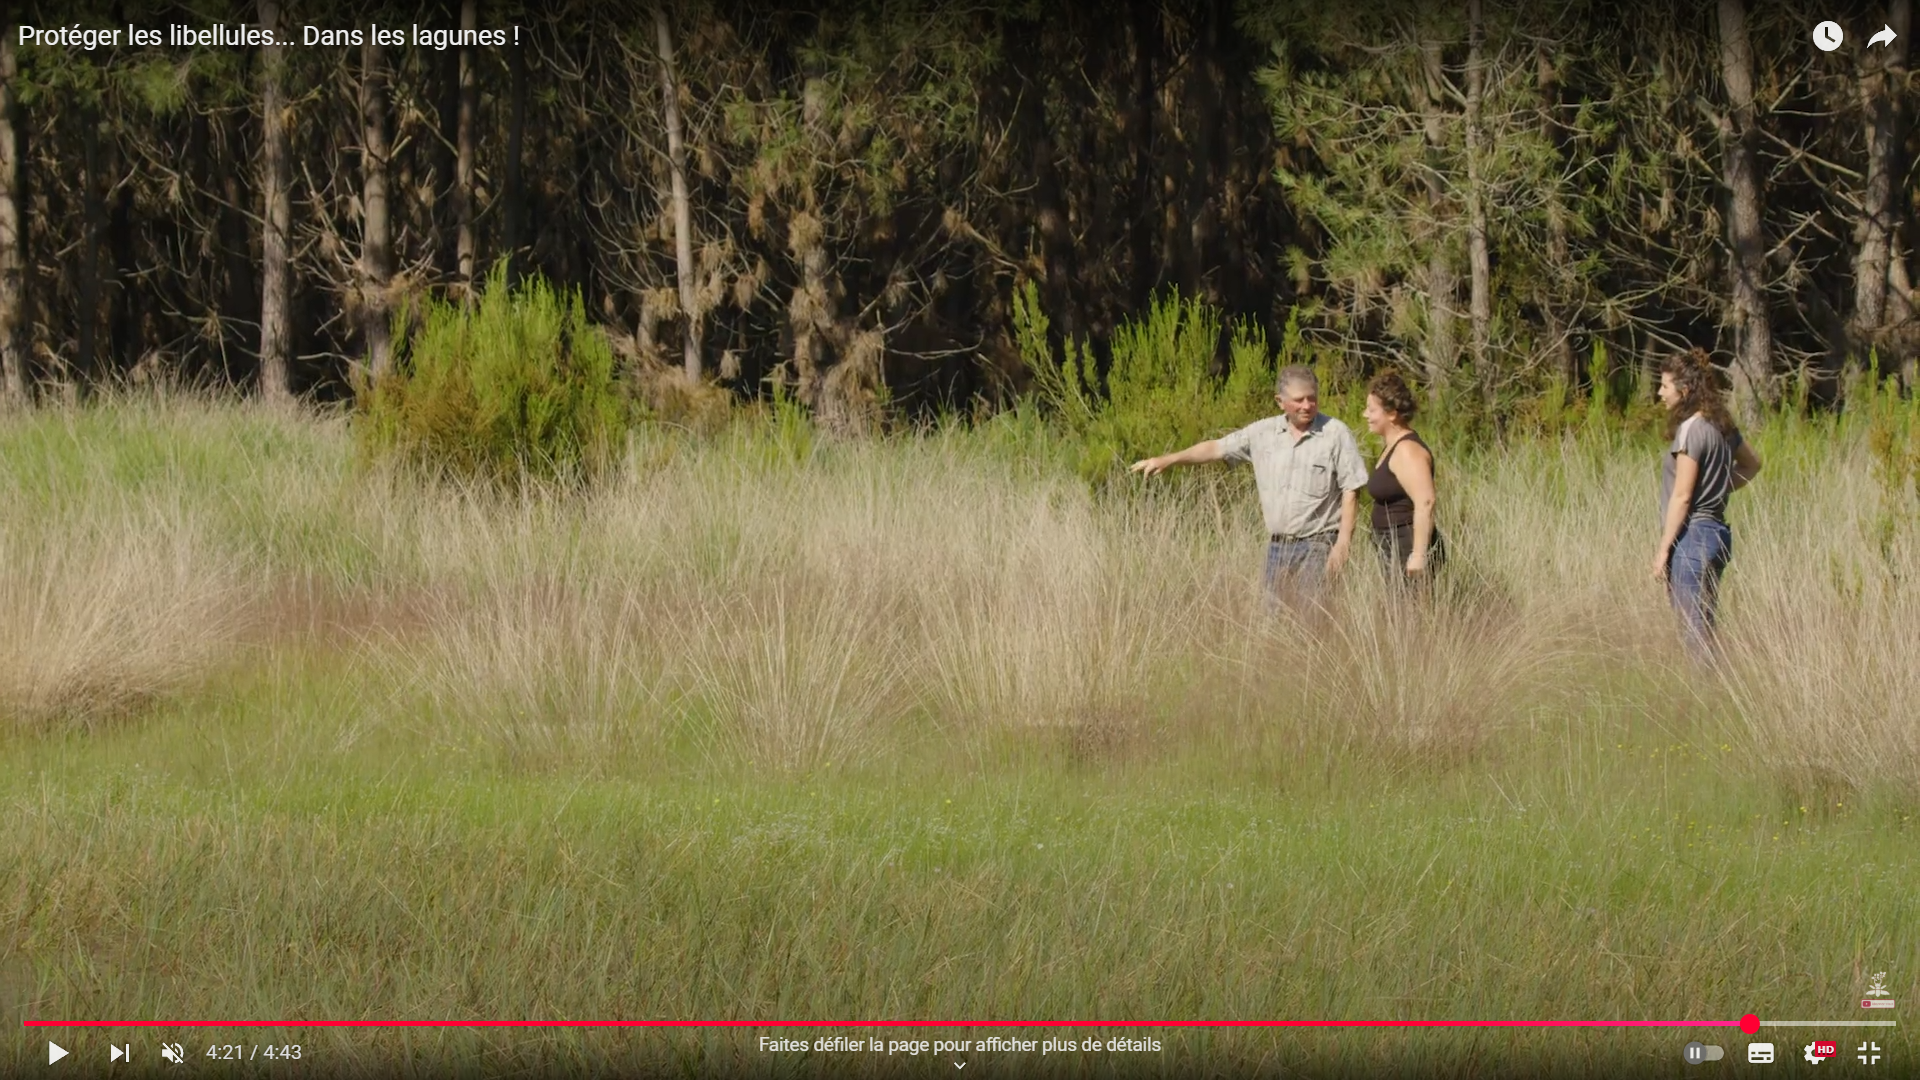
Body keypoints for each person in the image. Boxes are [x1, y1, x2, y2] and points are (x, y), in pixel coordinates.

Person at [1130, 365, 1368, 604]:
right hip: (1278, 548)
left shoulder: (1336, 434)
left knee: (1313, 619)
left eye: (1312, 399)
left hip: (1318, 545)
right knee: (1273, 622)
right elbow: (1216, 448)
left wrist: (1343, 544)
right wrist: (1170, 459)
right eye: (1299, 400)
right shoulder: (1262, 433)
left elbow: (1351, 490)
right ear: (1280, 401)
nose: (1307, 406)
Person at [1651, 348, 1762, 660]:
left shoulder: (1691, 430)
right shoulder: (1722, 426)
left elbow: (1683, 495)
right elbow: (1753, 465)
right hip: (1717, 536)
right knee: (1705, 626)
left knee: (1694, 634)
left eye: (1665, 386)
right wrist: (1717, 488)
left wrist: (1663, 549)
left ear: (1684, 390)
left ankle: (1707, 699)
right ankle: (1716, 694)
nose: (1660, 392)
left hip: (1693, 537)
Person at [1361, 371, 1443, 583]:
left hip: (1406, 543)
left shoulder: (1407, 449)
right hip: (1392, 544)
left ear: (1392, 413)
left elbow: (1425, 502)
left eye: (1372, 410)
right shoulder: (1392, 446)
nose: (1365, 415)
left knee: (1409, 612)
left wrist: (1418, 555)